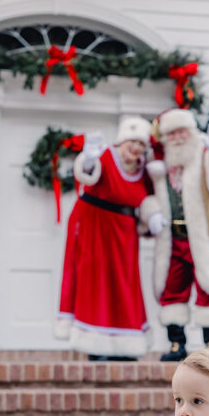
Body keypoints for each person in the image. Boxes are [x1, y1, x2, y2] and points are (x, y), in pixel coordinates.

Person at [54, 116, 166, 359]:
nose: (135, 148)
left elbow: (148, 198)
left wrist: (153, 214)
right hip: (94, 227)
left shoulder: (143, 170)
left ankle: (126, 345)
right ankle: (96, 345)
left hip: (124, 234)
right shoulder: (104, 156)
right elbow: (87, 174)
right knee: (95, 283)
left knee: (125, 285)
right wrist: (88, 160)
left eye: (141, 144)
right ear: (121, 141)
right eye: (132, 142)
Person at [141, 108, 209, 362]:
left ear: (191, 132)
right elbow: (146, 195)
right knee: (173, 289)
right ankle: (176, 344)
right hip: (174, 238)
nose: (178, 138)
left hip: (202, 236)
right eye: (172, 134)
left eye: (182, 132)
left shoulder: (204, 153)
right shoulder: (158, 165)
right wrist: (151, 213)